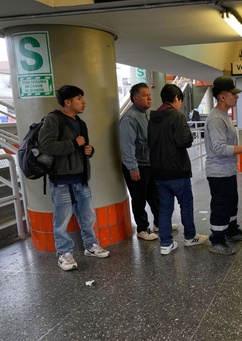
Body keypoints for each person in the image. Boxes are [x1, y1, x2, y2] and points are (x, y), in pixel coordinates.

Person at [38, 85, 110, 271]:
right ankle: (63, 254)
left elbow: (82, 147)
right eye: (79, 98)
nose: (83, 102)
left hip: (81, 178)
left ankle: (90, 246)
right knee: (61, 220)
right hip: (61, 180)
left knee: (87, 216)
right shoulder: (54, 119)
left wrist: (89, 150)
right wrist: (72, 143)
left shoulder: (80, 122)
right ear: (67, 102)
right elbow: (46, 146)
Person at [148, 84, 208, 255]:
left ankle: (166, 243)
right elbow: (185, 141)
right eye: (180, 100)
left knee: (165, 208)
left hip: (158, 172)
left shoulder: (152, 118)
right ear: (176, 98)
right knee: (186, 204)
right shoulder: (177, 116)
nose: (180, 104)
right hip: (177, 170)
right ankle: (190, 237)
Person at [204, 76, 242, 255]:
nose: (236, 97)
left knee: (231, 203)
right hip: (218, 172)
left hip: (227, 170)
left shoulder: (224, 116)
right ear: (222, 97)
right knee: (221, 205)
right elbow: (220, 148)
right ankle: (217, 240)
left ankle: (231, 230)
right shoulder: (215, 119)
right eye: (233, 94)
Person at [119, 83, 160, 241]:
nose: (149, 97)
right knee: (139, 198)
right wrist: (132, 167)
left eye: (149, 94)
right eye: (145, 95)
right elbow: (127, 145)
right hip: (137, 165)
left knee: (154, 196)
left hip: (149, 163)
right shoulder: (129, 118)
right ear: (135, 98)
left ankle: (159, 223)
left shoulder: (148, 113)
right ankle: (142, 229)